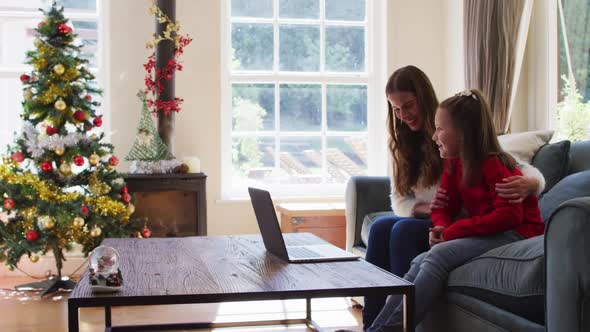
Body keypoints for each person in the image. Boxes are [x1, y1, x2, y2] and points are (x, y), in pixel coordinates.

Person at [361, 66, 545, 329]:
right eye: (396, 109)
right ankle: (373, 327)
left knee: (427, 250)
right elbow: (440, 203)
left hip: (509, 230)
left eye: (408, 106)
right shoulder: (451, 159)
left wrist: (530, 183)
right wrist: (441, 224)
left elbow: (511, 211)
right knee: (397, 243)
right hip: (473, 226)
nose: (402, 115)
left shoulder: (489, 160)